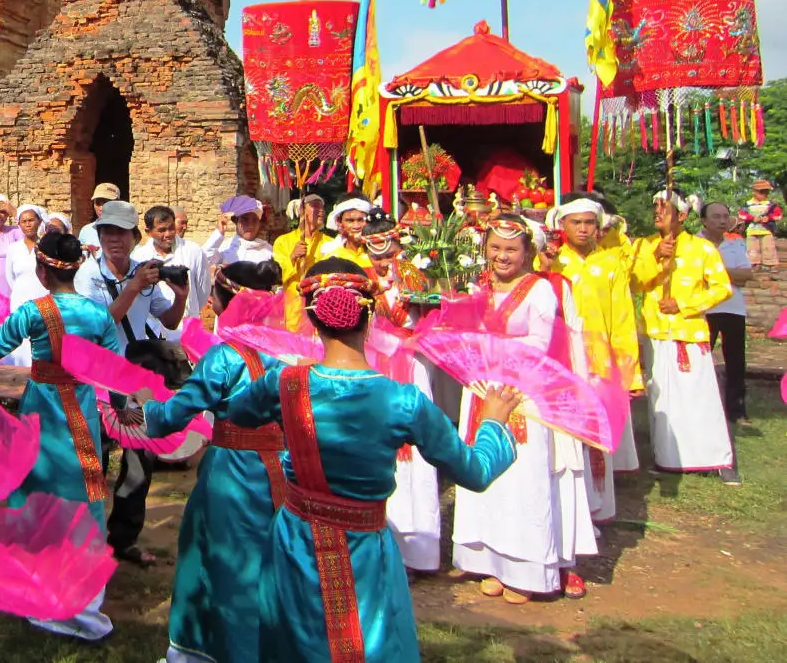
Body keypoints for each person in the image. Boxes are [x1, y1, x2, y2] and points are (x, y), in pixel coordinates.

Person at [227, 259, 521, 663]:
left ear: (313, 320)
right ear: (369, 318)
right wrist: (492, 423)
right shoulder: (404, 402)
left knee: (294, 643)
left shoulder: (284, 383)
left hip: (296, 539)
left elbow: (239, 414)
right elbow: (476, 471)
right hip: (365, 546)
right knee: (369, 642)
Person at [0, 231, 124, 640]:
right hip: (82, 412)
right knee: (83, 490)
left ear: (41, 271)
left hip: (43, 412)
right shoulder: (98, 314)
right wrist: (122, 407)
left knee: (38, 490)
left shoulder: (34, 312)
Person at [136, 259, 290, 663]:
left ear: (225, 302)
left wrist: (143, 412)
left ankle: (204, 650)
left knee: (215, 556)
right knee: (271, 560)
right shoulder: (289, 350)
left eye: (216, 296)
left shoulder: (224, 358)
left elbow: (175, 414)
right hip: (282, 470)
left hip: (233, 471)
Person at [451, 215, 595, 603]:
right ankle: (490, 563)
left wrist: (492, 350)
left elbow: (540, 342)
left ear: (528, 252)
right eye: (495, 247)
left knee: (521, 478)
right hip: (481, 389)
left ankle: (527, 570)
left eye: (511, 249)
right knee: (485, 473)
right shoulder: (474, 286)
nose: (502, 256)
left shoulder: (540, 291)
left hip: (523, 394)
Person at [75, 200, 188, 567]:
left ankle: (124, 538)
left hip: (136, 380)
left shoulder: (145, 273)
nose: (113, 240)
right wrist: (132, 287)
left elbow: (168, 322)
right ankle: (86, 539)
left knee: (141, 458)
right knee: (95, 458)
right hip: (97, 378)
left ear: (134, 236)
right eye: (107, 231)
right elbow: (100, 326)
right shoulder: (86, 276)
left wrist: (181, 296)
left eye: (121, 232)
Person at [547, 195, 643, 520]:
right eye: (577, 222)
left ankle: (597, 510)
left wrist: (631, 374)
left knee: (596, 435)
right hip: (563, 361)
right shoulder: (550, 263)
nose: (584, 229)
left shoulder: (612, 264)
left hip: (600, 362)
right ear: (562, 226)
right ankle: (570, 512)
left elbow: (623, 321)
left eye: (590, 222)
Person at [633, 191, 737, 482]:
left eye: (664, 209)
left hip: (687, 333)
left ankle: (714, 458)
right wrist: (656, 257)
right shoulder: (644, 246)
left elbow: (722, 288)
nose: (657, 213)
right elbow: (636, 282)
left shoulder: (702, 249)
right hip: (654, 331)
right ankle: (667, 459)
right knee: (662, 399)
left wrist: (683, 305)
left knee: (698, 396)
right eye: (655, 207)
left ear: (681, 215)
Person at [363, 218, 442, 573]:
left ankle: (417, 549)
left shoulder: (418, 277)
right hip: (371, 367)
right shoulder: (362, 278)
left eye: (389, 253)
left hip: (411, 369)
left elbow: (430, 322)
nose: (382, 262)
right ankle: (377, 542)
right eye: (374, 253)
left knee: (415, 456)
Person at [701, 200, 753, 429]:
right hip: (705, 309)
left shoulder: (736, 245)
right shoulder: (695, 245)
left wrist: (715, 273)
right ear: (704, 220)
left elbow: (746, 275)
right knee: (701, 360)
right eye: (716, 217)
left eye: (725, 216)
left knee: (736, 362)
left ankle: (737, 410)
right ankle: (703, 407)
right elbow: (695, 276)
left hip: (733, 308)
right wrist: (730, 275)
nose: (722, 221)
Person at [131, 205, 210, 329]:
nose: (168, 234)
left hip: (187, 330)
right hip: (153, 334)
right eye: (161, 230)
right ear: (148, 232)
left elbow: (203, 292)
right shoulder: (139, 257)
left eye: (171, 228)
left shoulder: (193, 251)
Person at [3, 203, 49, 365]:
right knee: (21, 340)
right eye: (24, 221)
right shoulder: (13, 249)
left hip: (43, 298)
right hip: (20, 299)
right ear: (19, 224)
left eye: (31, 220)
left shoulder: (45, 246)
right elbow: (10, 276)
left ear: (39, 221)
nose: (28, 224)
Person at [273, 193, 328, 288]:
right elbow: (275, 275)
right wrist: (293, 257)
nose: (322, 211)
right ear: (302, 211)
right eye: (315, 206)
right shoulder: (283, 241)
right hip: (292, 299)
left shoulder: (329, 242)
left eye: (322, 208)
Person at [319, 195, 375, 269]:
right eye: (350, 221)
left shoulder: (380, 254)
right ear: (339, 222)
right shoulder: (332, 258)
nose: (356, 226)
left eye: (361, 220)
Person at [737, 179, 781, 268]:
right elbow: (741, 215)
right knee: (752, 249)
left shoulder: (771, 205)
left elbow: (778, 215)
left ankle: (770, 264)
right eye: (761, 192)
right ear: (754, 192)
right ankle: (754, 264)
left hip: (767, 231)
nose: (764, 194)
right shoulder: (748, 204)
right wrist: (752, 218)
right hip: (752, 231)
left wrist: (769, 218)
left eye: (766, 192)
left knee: (769, 248)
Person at [77, 182, 121, 251]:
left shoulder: (125, 230)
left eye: (107, 203)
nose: (101, 208)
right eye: (98, 203)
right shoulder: (86, 231)